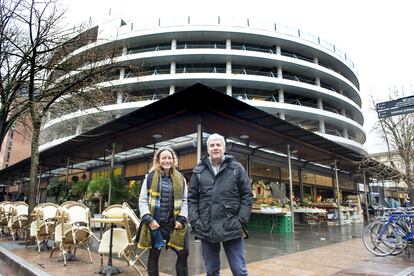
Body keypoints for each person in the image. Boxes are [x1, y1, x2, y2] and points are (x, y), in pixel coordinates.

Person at [188, 133, 253, 276]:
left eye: (218, 145)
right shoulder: (199, 171)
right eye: (212, 145)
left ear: (224, 148)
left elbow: (247, 195)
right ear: (208, 149)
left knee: (239, 270)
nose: (215, 148)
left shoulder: (236, 168)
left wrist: (241, 220)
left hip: (231, 226)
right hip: (206, 227)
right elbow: (192, 198)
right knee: (211, 271)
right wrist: (196, 221)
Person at [138, 147, 189, 276]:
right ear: (158, 161)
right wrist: (149, 220)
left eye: (169, 158)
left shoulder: (180, 178)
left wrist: (182, 219)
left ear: (173, 160)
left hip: (175, 224)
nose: (167, 160)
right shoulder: (149, 178)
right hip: (156, 223)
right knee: (154, 255)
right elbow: (142, 201)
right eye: (164, 158)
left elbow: (185, 201)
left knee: (183, 253)